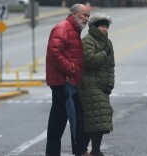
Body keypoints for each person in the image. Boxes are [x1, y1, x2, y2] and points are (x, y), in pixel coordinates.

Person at [45, 4, 91, 156]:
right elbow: (54, 52)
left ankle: (54, 153)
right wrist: (70, 68)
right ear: (74, 14)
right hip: (64, 81)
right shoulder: (63, 27)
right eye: (84, 15)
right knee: (77, 117)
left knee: (58, 121)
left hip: (65, 82)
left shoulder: (73, 29)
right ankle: (81, 151)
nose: (87, 18)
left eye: (88, 16)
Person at [79, 13, 115, 156]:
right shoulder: (87, 41)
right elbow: (89, 61)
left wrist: (110, 84)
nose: (105, 29)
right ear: (94, 27)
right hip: (88, 86)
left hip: (101, 86)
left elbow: (111, 66)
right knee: (95, 118)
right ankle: (86, 150)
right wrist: (104, 54)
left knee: (100, 118)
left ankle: (93, 150)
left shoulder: (108, 43)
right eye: (102, 26)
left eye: (106, 27)